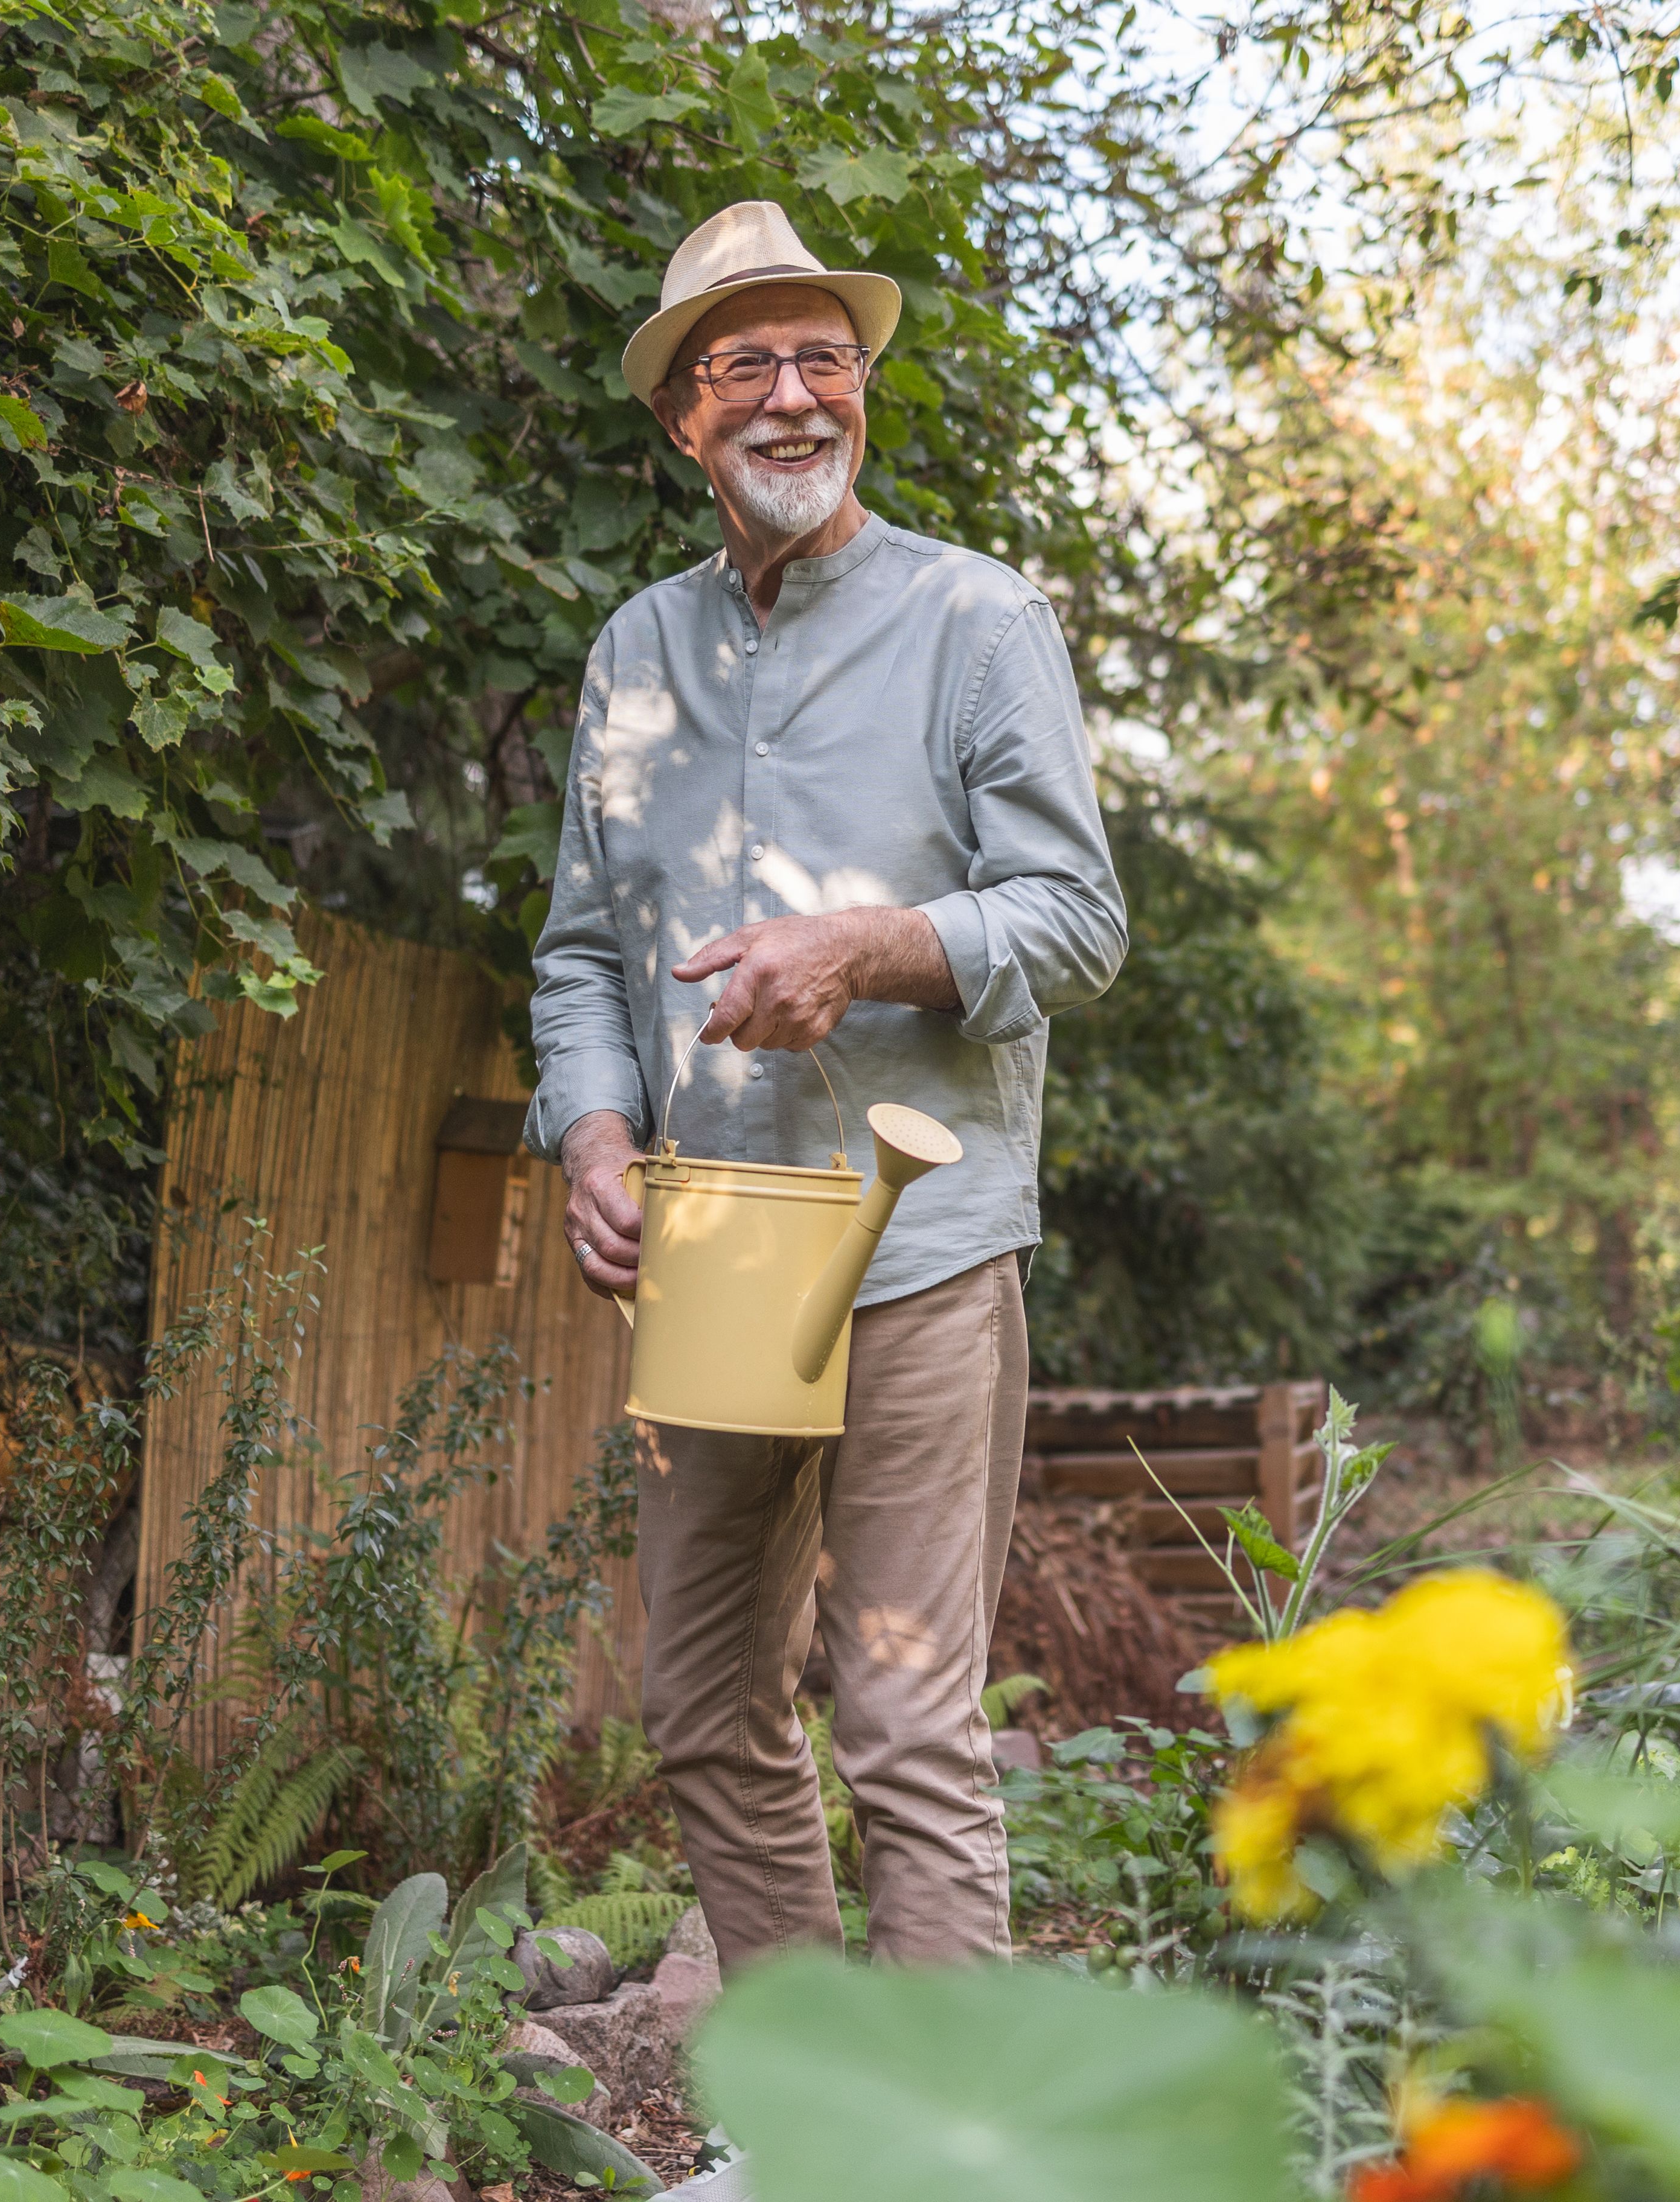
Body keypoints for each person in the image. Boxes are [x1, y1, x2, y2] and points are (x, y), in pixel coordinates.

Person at [523, 201, 1127, 1976]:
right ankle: (797, 2130)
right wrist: (596, 1133)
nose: (793, 398)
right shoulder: (634, 654)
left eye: (824, 360)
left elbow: (1079, 922)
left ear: (859, 391)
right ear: (682, 419)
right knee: (704, 1699)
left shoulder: (976, 620)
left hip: (921, 1242)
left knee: (910, 1726)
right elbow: (577, 958)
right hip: (715, 1247)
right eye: (746, 366)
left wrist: (863, 948)